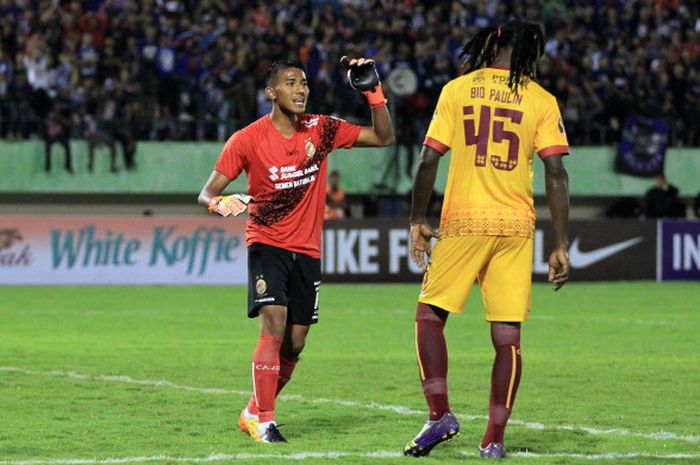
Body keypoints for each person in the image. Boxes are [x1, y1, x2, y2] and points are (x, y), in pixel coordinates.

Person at [198, 58, 394, 443]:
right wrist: (219, 203)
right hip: (267, 240)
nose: (301, 89)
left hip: (307, 248)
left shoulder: (321, 130)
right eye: (290, 83)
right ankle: (266, 421)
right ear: (271, 92)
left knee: (296, 341)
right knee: (273, 321)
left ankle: (253, 409)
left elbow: (383, 138)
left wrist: (373, 93)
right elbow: (207, 191)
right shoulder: (246, 139)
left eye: (303, 83)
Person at [403, 20, 570, 459]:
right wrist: (561, 243)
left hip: (465, 218)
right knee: (507, 338)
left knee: (429, 316)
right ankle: (494, 439)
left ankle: (440, 414)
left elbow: (427, 158)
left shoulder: (458, 90)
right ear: (529, 53)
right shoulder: (541, 100)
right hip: (516, 225)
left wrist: (417, 218)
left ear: (492, 44)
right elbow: (556, 172)